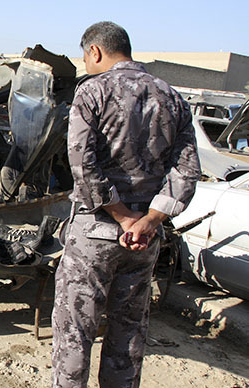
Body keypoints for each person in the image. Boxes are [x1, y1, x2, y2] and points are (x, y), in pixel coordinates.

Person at [51, 22, 201, 388]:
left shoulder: (92, 92)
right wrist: (149, 219)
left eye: (84, 56)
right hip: (144, 241)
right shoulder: (172, 97)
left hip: (94, 234)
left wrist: (121, 215)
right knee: (129, 331)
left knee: (75, 331)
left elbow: (82, 165)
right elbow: (187, 171)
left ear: (95, 52)